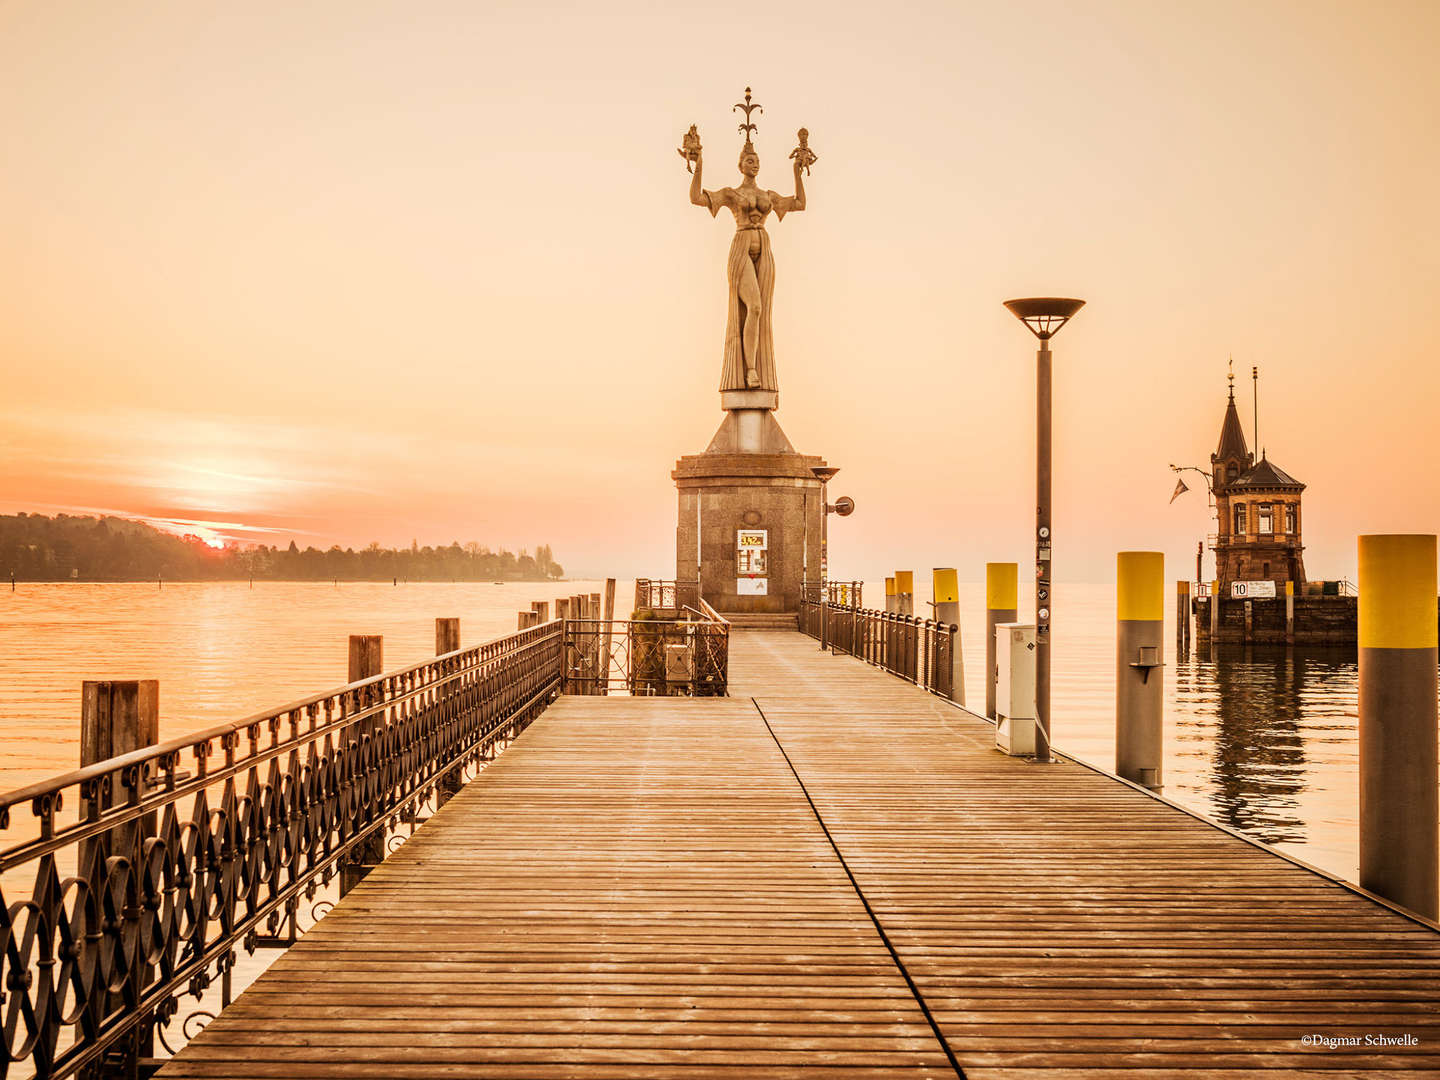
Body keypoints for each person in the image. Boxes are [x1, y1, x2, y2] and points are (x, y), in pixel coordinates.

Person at [687, 140, 806, 391]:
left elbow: (799, 203)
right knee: (754, 307)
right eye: (750, 160)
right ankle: (750, 371)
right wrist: (698, 164)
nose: (755, 164)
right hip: (741, 248)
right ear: (740, 164)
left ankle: (757, 367)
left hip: (764, 249)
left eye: (757, 160)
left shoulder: (768, 196)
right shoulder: (733, 194)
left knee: (761, 312)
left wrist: (797, 171)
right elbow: (697, 198)